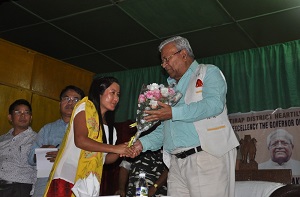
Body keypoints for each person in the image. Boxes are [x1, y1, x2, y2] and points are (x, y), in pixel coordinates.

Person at [133, 36, 239, 197]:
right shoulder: (170, 89)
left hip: (206, 157)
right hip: (176, 164)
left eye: (166, 59)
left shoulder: (208, 72)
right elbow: (166, 129)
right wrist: (141, 144)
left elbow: (214, 105)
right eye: (162, 61)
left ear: (183, 54)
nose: (163, 65)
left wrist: (173, 112)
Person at [43, 76, 134, 197]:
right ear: (99, 92)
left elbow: (105, 159)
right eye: (112, 93)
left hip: (87, 182)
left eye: (118, 94)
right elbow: (81, 140)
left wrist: (122, 150)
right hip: (68, 177)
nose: (116, 98)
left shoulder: (111, 129)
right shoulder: (85, 107)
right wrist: (115, 148)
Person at [28, 85, 85, 197]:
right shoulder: (47, 129)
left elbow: (91, 159)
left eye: (75, 100)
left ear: (82, 106)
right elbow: (30, 159)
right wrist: (41, 152)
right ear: (60, 104)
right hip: (45, 185)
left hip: (73, 186)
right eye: (66, 98)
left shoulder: (87, 130)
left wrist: (63, 156)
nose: (70, 103)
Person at [115, 127, 168, 197]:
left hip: (157, 192)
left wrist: (155, 187)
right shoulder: (135, 144)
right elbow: (125, 167)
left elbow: (168, 168)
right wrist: (121, 188)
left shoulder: (162, 142)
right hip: (133, 191)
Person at [0, 99, 37, 197]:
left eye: (26, 112)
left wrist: (34, 192)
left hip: (21, 187)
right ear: (10, 117)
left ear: (31, 118)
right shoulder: (2, 139)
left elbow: (40, 168)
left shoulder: (37, 139)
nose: (23, 115)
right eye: (18, 112)